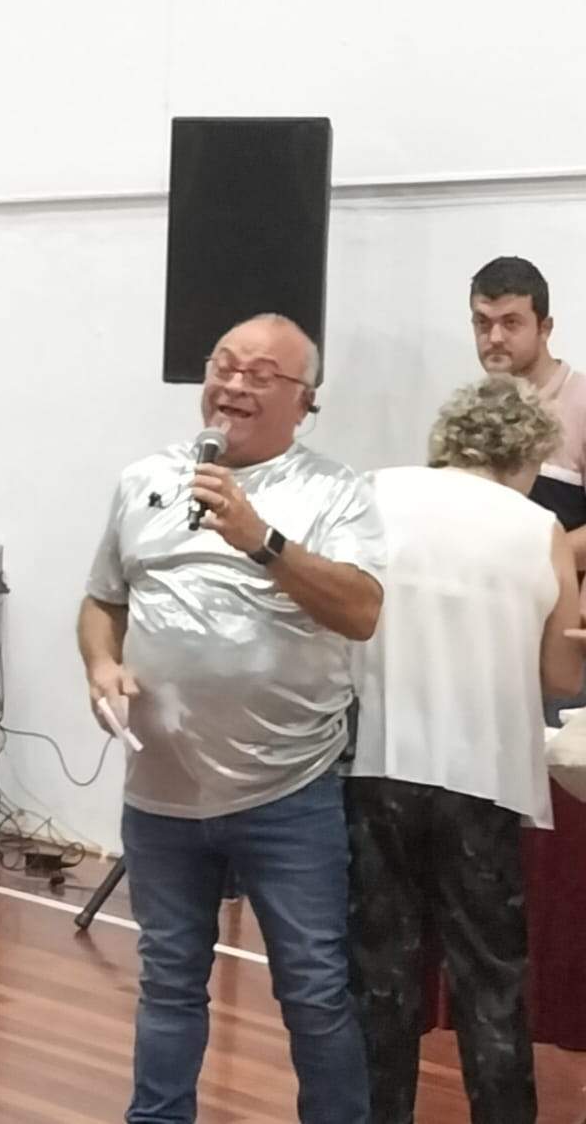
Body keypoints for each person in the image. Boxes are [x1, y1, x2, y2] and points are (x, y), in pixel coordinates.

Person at [78, 312, 385, 1124]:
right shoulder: (144, 478)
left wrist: (262, 539)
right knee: (169, 984)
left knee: (315, 992)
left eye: (259, 374)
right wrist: (100, 665)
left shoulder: (337, 490)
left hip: (286, 790)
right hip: (162, 790)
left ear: (303, 400)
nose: (233, 385)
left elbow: (361, 611)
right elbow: (102, 601)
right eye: (223, 365)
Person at [347, 375, 584, 1123]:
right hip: (484, 779)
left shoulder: (374, 493)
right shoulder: (536, 528)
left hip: (378, 764)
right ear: (527, 455)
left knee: (380, 979)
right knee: (492, 984)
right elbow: (558, 672)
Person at [470, 256, 586, 543]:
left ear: (544, 328)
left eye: (511, 323)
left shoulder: (580, 402)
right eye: (483, 323)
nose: (494, 337)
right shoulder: (471, 410)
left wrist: (531, 562)